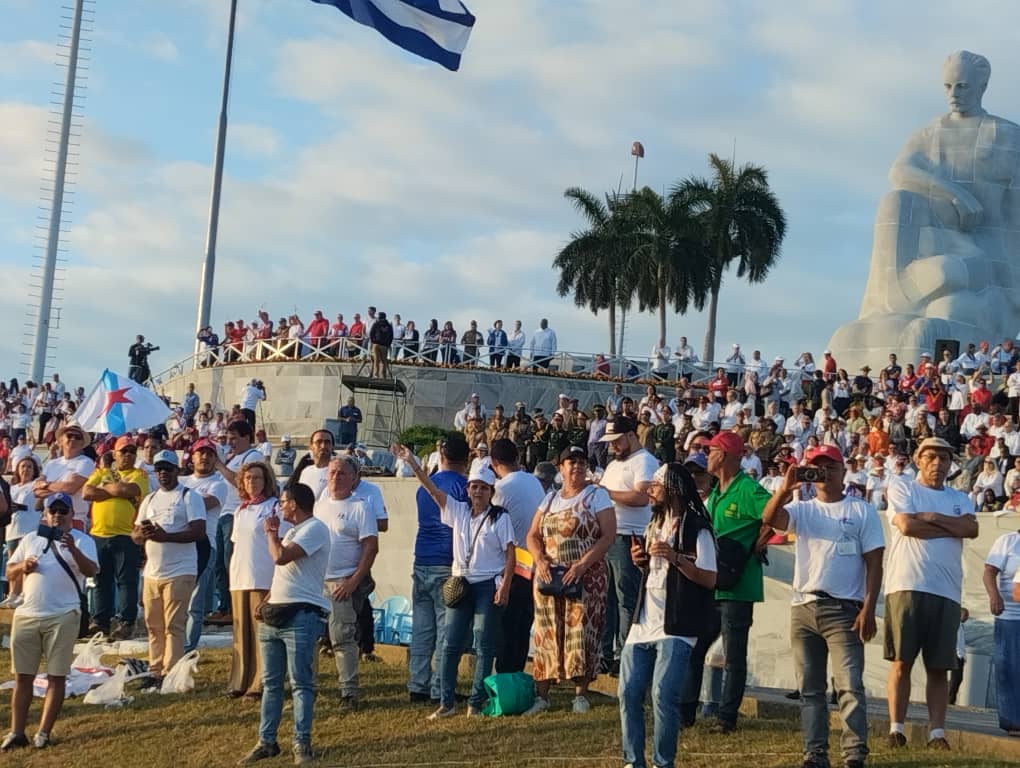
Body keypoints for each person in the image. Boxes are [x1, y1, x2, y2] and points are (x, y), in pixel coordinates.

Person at [762, 446, 885, 768]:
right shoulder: (803, 509)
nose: (823, 473)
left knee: (849, 685)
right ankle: (815, 753)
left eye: (830, 467)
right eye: (816, 468)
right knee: (810, 688)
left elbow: (875, 562)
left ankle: (854, 753)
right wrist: (785, 488)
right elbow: (769, 518)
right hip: (804, 603)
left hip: (844, 606)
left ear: (844, 471)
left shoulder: (861, 511)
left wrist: (868, 608)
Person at [399, 446, 515, 719]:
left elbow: (510, 553)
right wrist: (414, 464)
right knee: (450, 643)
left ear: (491, 491)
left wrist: (505, 585)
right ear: (468, 489)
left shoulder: (500, 517)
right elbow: (432, 491)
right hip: (461, 583)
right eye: (474, 487)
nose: (478, 492)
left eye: (483, 488)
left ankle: (476, 701)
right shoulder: (459, 511)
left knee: (484, 644)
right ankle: (446, 702)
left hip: (488, 583)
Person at [619, 463, 717, 768]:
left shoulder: (696, 528)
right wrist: (642, 561)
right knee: (628, 692)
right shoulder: (653, 524)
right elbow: (655, 568)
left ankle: (663, 762)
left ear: (672, 487)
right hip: (644, 619)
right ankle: (632, 761)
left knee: (663, 695)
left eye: (655, 486)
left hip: (677, 623)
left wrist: (676, 558)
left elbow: (710, 578)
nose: (650, 491)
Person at [884, 437, 979, 750]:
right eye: (931, 457)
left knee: (940, 666)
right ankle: (896, 729)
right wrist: (949, 526)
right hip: (907, 584)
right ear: (918, 459)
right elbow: (907, 527)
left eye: (944, 458)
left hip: (947, 590)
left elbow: (971, 529)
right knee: (902, 661)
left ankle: (936, 733)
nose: (938, 463)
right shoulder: (903, 486)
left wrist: (932, 517)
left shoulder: (960, 497)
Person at [680, 430, 771, 733]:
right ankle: (686, 712)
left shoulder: (747, 488)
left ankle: (726, 718)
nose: (707, 456)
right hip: (712, 584)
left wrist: (761, 539)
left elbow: (775, 513)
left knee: (733, 656)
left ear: (728, 456)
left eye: (712, 451)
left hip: (738, 586)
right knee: (695, 649)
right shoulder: (718, 491)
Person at [239, 484, 330, 766]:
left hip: (301, 615)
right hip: (275, 613)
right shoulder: (291, 532)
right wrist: (266, 599)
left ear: (296, 503)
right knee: (271, 683)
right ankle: (267, 741)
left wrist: (269, 532)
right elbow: (285, 573)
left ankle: (301, 742)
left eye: (283, 501)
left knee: (301, 683)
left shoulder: (315, 528)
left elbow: (280, 557)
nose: (279, 507)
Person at [2, 493, 98, 751]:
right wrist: (23, 566)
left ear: (70, 514)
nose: (57, 515)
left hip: (63, 614)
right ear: (45, 514)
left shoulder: (82, 540)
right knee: (23, 676)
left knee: (56, 676)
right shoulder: (30, 539)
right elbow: (9, 571)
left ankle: (43, 732)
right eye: (52, 510)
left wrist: (74, 549)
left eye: (62, 510)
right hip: (27, 614)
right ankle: (16, 732)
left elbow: (91, 571)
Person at [523, 445, 615, 714]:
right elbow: (532, 534)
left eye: (580, 462)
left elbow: (607, 534)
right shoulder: (549, 500)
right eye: (570, 462)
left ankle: (580, 694)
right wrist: (539, 558)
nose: (576, 467)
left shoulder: (597, 496)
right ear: (560, 468)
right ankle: (542, 694)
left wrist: (583, 564)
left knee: (581, 632)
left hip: (585, 575)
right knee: (546, 632)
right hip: (549, 574)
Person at [132, 450, 206, 692]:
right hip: (152, 571)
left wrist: (166, 537)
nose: (163, 473)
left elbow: (198, 531)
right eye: (159, 469)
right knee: (153, 625)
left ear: (178, 470)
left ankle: (171, 672)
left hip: (180, 569)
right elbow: (134, 534)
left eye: (168, 469)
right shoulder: (150, 499)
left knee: (173, 624)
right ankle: (155, 670)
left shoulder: (188, 496)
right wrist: (142, 535)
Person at [406, 436, 468, 703]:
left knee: (422, 628)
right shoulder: (463, 487)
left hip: (422, 558)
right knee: (446, 629)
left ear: (440, 456)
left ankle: (417, 683)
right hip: (447, 560)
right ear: (467, 460)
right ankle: (441, 687)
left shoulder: (424, 487)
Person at [314, 456, 379, 710]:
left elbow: (371, 547)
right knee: (312, 638)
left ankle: (348, 692)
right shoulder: (319, 504)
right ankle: (309, 688)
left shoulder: (360, 507)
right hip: (317, 580)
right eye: (332, 473)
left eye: (342, 473)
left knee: (342, 636)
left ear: (354, 478)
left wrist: (354, 581)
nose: (335, 478)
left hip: (343, 580)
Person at [598, 416, 659, 672]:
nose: (613, 446)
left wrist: (606, 493)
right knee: (606, 599)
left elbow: (642, 497)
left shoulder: (645, 461)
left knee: (626, 599)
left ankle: (626, 657)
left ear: (631, 435)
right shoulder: (614, 464)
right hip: (609, 535)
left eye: (617, 440)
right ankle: (605, 655)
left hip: (629, 535)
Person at [227, 462, 287, 699]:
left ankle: (261, 681)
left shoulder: (274, 508)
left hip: (263, 576)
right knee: (241, 633)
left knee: (262, 632)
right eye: (248, 478)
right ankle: (240, 679)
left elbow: (281, 540)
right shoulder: (240, 510)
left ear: (266, 481)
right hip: (240, 576)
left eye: (257, 478)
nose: (252, 482)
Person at [82, 435, 148, 640]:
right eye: (124, 451)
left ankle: (125, 621)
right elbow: (86, 492)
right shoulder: (102, 471)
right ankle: (100, 621)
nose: (128, 455)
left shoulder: (139, 474)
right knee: (101, 579)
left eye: (132, 451)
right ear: (114, 454)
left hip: (125, 534)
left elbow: (128, 489)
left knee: (126, 580)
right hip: (98, 534)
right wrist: (113, 491)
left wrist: (104, 490)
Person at [489, 439, 546, 673]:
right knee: (522, 626)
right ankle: (516, 675)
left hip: (511, 565)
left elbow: (490, 524)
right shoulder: (534, 482)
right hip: (532, 562)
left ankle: (503, 678)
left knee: (504, 627)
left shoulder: (501, 489)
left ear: (494, 463)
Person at [208, 420, 264, 623]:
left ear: (247, 437)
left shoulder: (253, 456)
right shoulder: (235, 457)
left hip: (237, 513)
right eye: (228, 438)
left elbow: (242, 483)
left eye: (234, 438)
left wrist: (220, 466)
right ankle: (223, 606)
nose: (230, 442)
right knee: (220, 565)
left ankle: (232, 607)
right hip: (224, 513)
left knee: (229, 560)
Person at [179, 438, 229, 653]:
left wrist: (176, 501)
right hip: (178, 543)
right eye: (201, 453)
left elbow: (205, 504)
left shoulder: (218, 484)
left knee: (194, 601)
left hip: (203, 543)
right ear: (193, 456)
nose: (205, 457)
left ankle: (187, 648)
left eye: (210, 454)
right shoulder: (181, 480)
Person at [983, 524, 1020, 735]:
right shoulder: (1008, 541)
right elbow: (989, 572)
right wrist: (994, 596)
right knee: (1010, 669)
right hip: (1010, 616)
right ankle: (1012, 721)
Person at [33, 423, 95, 532]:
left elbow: (70, 488)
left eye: (77, 437)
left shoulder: (85, 462)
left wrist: (46, 485)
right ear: (61, 440)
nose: (73, 439)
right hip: (48, 517)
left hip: (74, 518)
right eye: (70, 436)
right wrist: (61, 487)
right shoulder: (51, 463)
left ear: (82, 443)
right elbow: (36, 491)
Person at [0, 457, 41, 609]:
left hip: (29, 528)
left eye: (29, 467)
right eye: (23, 466)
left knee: (25, 562)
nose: (26, 469)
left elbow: (36, 505)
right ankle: (12, 594)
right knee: (12, 562)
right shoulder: (12, 487)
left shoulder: (34, 486)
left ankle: (24, 594)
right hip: (13, 528)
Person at [369, 311, 394, 379]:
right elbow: (391, 336)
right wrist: (388, 344)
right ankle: (383, 376)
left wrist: (374, 341)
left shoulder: (376, 323)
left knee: (376, 360)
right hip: (383, 346)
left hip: (377, 344)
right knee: (383, 361)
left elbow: (371, 333)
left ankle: (376, 375)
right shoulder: (388, 325)